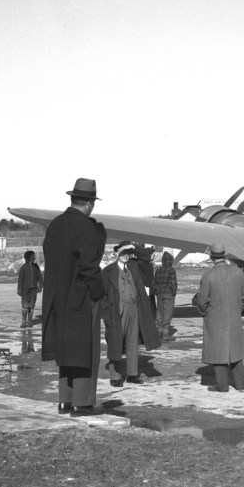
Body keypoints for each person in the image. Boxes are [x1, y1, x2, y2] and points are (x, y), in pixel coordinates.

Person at [41, 178, 106, 417]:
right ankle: (83, 403)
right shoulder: (86, 227)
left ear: (72, 199)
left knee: (67, 350)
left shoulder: (56, 224)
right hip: (82, 298)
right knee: (85, 351)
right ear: (89, 203)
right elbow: (89, 266)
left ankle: (65, 401)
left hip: (58, 299)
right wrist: (99, 293)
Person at [101, 241, 161, 387]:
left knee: (132, 343)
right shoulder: (108, 271)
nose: (126, 256)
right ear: (116, 254)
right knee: (116, 342)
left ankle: (132, 374)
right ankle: (115, 376)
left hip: (134, 309)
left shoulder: (135, 267)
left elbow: (146, 257)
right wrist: (107, 317)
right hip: (117, 311)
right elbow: (102, 296)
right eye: (122, 253)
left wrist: (133, 247)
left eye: (128, 253)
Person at [196, 242, 244, 392]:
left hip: (215, 318)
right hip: (234, 317)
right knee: (235, 350)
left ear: (211, 257)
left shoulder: (208, 275)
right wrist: (237, 309)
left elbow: (202, 300)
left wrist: (204, 312)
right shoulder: (238, 272)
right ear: (224, 255)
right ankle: (241, 384)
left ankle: (222, 385)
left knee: (218, 352)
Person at [153, 251, 178, 342]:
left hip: (160, 294)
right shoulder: (171, 270)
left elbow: (154, 283)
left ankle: (159, 333)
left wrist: (157, 292)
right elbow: (173, 283)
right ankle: (165, 334)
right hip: (169, 294)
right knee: (168, 313)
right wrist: (174, 291)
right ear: (170, 261)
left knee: (159, 312)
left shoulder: (158, 270)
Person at [17, 250, 43, 328]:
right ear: (28, 258)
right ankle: (24, 321)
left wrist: (40, 286)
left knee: (32, 306)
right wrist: (19, 289)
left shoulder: (36, 266)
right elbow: (20, 279)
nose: (34, 257)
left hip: (34, 289)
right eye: (33, 256)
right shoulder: (23, 267)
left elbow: (39, 277)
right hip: (25, 289)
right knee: (25, 305)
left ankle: (29, 321)